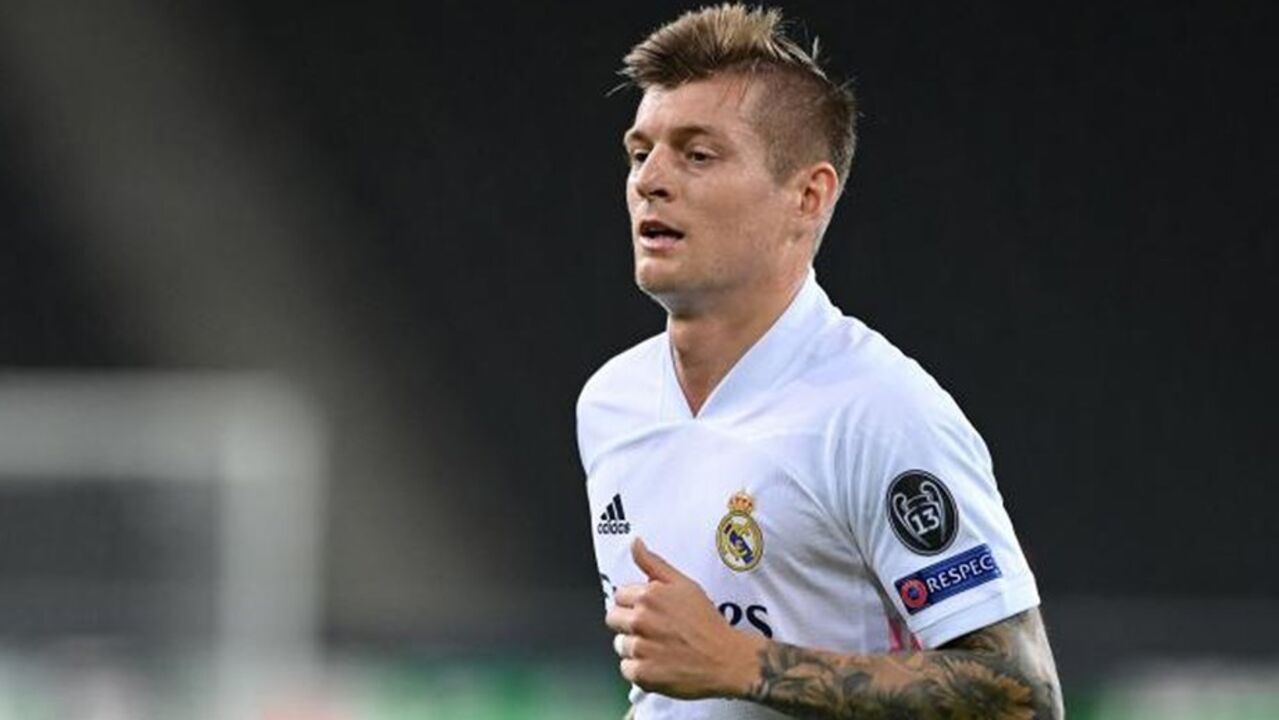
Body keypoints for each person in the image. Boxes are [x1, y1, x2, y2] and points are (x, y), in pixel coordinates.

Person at [576, 5, 1063, 719]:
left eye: (698, 154)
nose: (650, 179)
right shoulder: (609, 402)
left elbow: (1022, 694)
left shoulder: (877, 413)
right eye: (639, 152)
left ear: (807, 196)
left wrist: (740, 662)